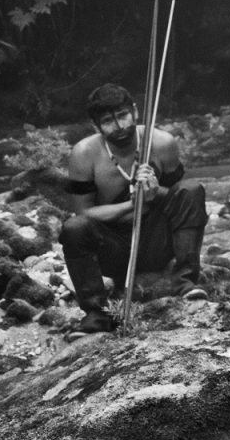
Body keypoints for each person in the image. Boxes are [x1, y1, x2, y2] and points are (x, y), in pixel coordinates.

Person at [59, 83, 209, 333]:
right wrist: (131, 204)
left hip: (158, 243)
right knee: (73, 228)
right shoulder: (84, 154)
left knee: (192, 189)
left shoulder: (162, 143)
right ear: (96, 125)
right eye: (108, 121)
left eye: (123, 116)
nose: (119, 127)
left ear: (135, 112)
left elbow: (178, 198)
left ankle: (185, 282)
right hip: (114, 250)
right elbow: (83, 214)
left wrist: (153, 193)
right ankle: (98, 313)